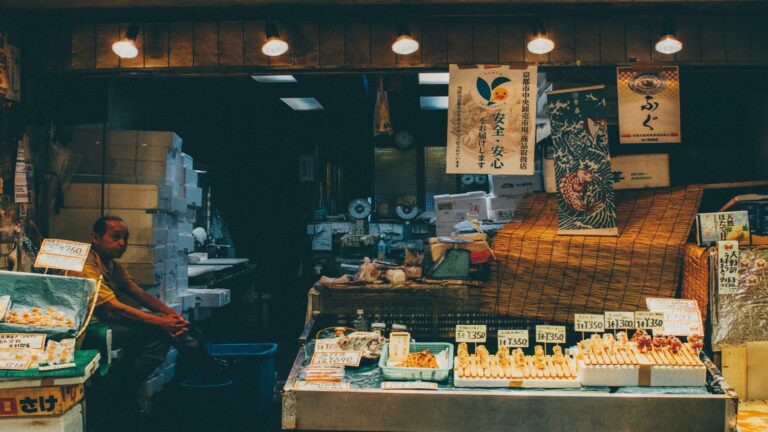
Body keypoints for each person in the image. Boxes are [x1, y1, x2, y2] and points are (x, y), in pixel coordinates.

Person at [70, 215, 216, 414]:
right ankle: (124, 391)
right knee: (159, 333)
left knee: (175, 327)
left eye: (126, 238)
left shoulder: (111, 265)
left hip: (107, 320)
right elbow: (114, 307)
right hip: (89, 328)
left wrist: (173, 316)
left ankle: (205, 361)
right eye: (116, 237)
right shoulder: (85, 265)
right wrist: (162, 323)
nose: (122, 243)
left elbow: (138, 293)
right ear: (95, 237)